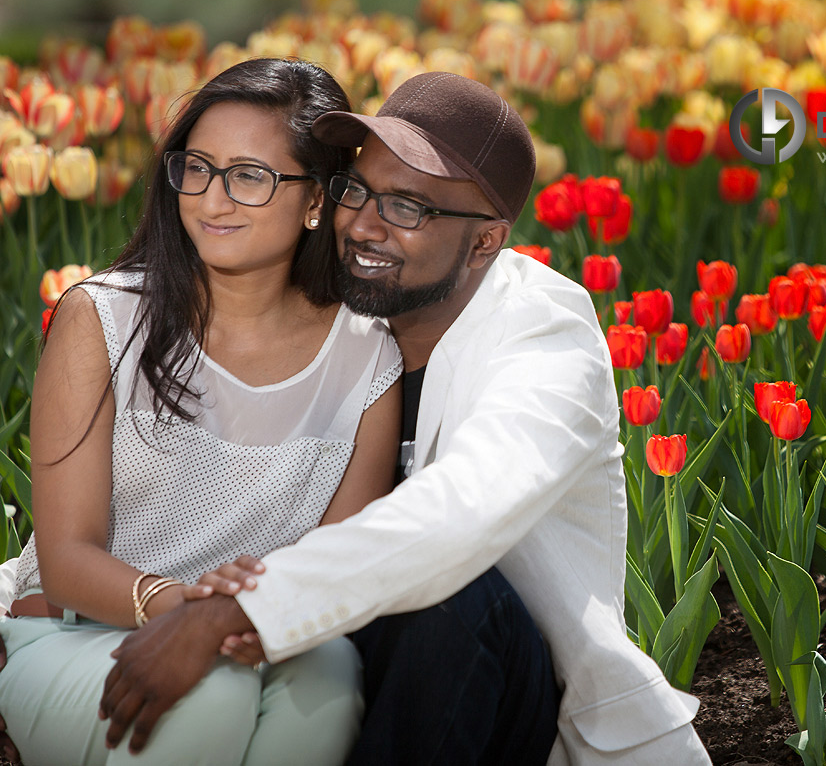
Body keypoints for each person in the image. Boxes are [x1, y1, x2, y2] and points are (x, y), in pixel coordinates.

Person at [98, 71, 712, 764]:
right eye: (356, 189)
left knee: (451, 599)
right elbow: (194, 489)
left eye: (408, 207)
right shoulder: (347, 321)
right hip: (340, 674)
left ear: (485, 242)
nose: (362, 223)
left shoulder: (542, 333)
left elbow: (463, 509)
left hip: (517, 710)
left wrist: (238, 610)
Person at [0, 57, 404, 764]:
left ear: (317, 200)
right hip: (71, 632)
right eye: (198, 167)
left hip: (260, 639)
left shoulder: (367, 357)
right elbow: (64, 559)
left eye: (249, 175)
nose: (212, 200)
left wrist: (222, 627)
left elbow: (339, 564)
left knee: (333, 678)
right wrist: (190, 616)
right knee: (211, 698)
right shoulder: (102, 319)